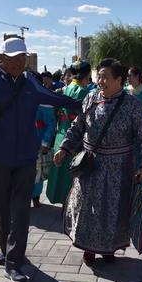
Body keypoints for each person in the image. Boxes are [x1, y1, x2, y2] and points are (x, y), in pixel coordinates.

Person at [0, 37, 81, 282]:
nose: (19, 63)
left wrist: (85, 104)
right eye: (13, 59)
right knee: (0, 207)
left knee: (21, 210)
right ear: (1, 59)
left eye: (22, 58)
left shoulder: (29, 81)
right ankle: (7, 249)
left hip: (26, 157)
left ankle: (14, 260)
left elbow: (55, 99)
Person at [54, 58, 142, 265]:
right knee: (86, 206)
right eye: (99, 76)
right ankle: (87, 247)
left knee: (113, 208)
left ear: (119, 80)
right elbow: (78, 127)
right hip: (89, 164)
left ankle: (109, 249)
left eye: (105, 77)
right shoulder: (91, 98)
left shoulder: (131, 104)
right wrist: (64, 148)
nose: (100, 81)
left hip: (119, 167)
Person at [46, 60, 91, 205]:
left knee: (61, 171)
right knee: (72, 172)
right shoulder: (84, 92)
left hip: (62, 132)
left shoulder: (66, 88)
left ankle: (62, 201)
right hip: (75, 137)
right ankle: (71, 204)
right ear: (88, 75)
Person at [32, 103, 56, 208]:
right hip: (20, 140)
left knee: (37, 170)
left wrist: (45, 142)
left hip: (37, 140)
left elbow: (50, 122)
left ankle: (35, 197)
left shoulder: (43, 99)